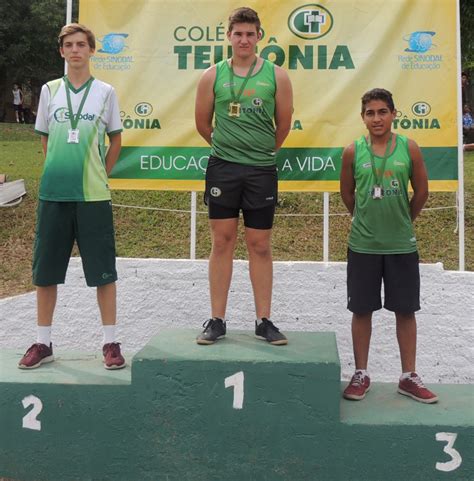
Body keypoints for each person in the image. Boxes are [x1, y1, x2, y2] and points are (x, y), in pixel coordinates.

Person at [18, 23, 125, 370]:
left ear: (92, 50)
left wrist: (97, 173)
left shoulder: (106, 92)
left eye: (81, 44)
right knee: (46, 272)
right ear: (62, 52)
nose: (75, 50)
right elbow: (46, 139)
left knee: (103, 273)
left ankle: (110, 341)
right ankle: (43, 341)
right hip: (53, 195)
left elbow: (115, 142)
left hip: (93, 197)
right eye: (69, 45)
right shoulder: (50, 90)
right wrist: (60, 169)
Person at [194, 7, 293, 345]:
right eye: (238, 33)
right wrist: (230, 150)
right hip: (223, 167)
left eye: (250, 34)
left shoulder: (277, 76)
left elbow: (283, 126)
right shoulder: (212, 76)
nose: (244, 39)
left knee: (260, 244)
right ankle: (216, 320)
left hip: (261, 169)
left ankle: (264, 320)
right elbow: (203, 124)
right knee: (221, 242)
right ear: (229, 36)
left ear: (259, 36)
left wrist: (258, 153)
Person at [339, 88, 438, 403]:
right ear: (363, 117)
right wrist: (364, 218)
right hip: (363, 245)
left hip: (401, 246)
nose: (377, 118)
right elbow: (348, 194)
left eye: (383, 111)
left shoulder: (409, 148)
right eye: (370, 113)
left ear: (393, 114)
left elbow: (421, 191)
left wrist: (404, 220)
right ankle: (361, 374)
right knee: (361, 309)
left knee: (405, 310)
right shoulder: (352, 152)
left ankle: (408, 376)